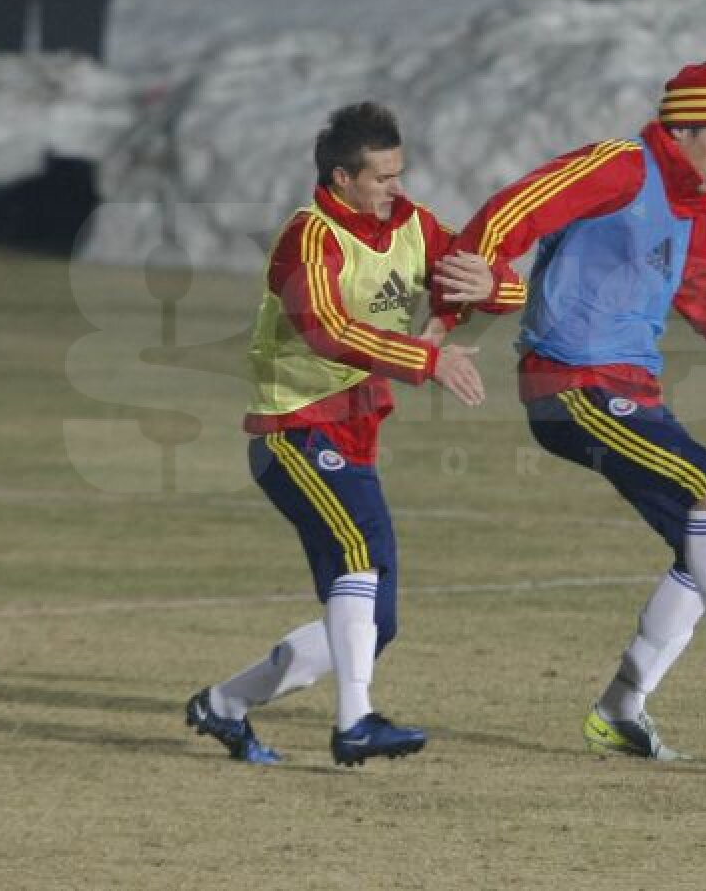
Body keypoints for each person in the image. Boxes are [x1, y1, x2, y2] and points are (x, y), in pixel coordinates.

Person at [431, 62, 706, 760]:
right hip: (571, 386)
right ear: (683, 129)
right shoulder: (619, 165)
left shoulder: (689, 211)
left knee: (702, 547)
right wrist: (480, 281)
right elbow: (516, 208)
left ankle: (620, 710)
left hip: (630, 393)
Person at [185, 101, 525, 767]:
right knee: (360, 554)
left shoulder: (413, 225)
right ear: (342, 178)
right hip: (293, 430)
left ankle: (223, 704)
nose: (396, 188)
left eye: (399, 174)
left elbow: (492, 282)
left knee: (375, 623)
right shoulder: (307, 238)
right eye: (382, 178)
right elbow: (326, 330)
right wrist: (427, 358)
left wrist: (494, 285)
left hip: (353, 435)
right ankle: (356, 724)